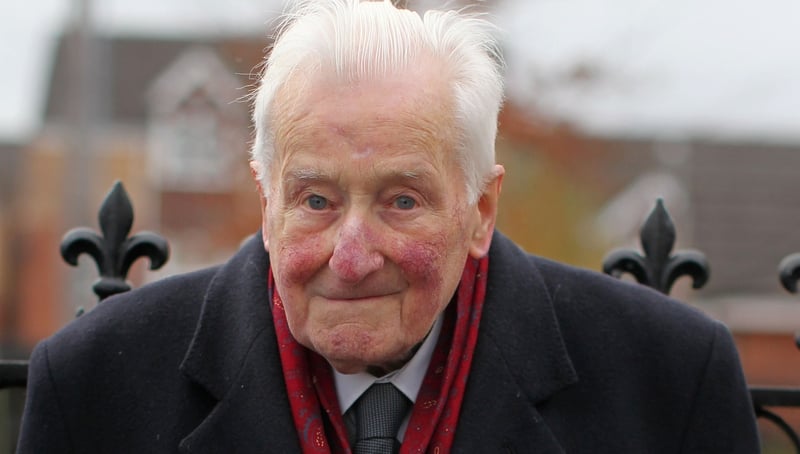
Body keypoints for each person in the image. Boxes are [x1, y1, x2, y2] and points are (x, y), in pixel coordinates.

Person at [18, 0, 759, 452]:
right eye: (316, 200)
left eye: (402, 201)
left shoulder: (670, 381)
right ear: (267, 201)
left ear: (481, 210)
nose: (351, 257)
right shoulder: (93, 387)